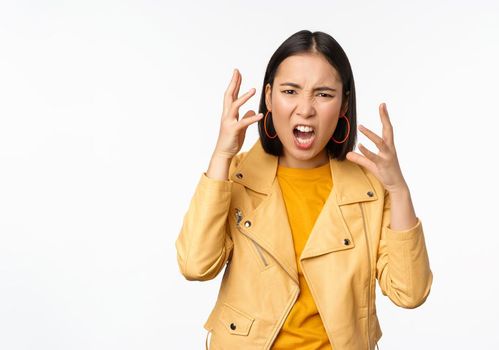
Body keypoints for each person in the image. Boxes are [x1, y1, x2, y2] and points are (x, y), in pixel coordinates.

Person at [176, 30, 432, 350]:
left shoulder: (370, 189)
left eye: (323, 94)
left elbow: (410, 292)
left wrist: (398, 190)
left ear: (344, 104)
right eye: (290, 91)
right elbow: (196, 265)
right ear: (269, 97)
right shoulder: (234, 177)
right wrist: (222, 155)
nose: (305, 109)